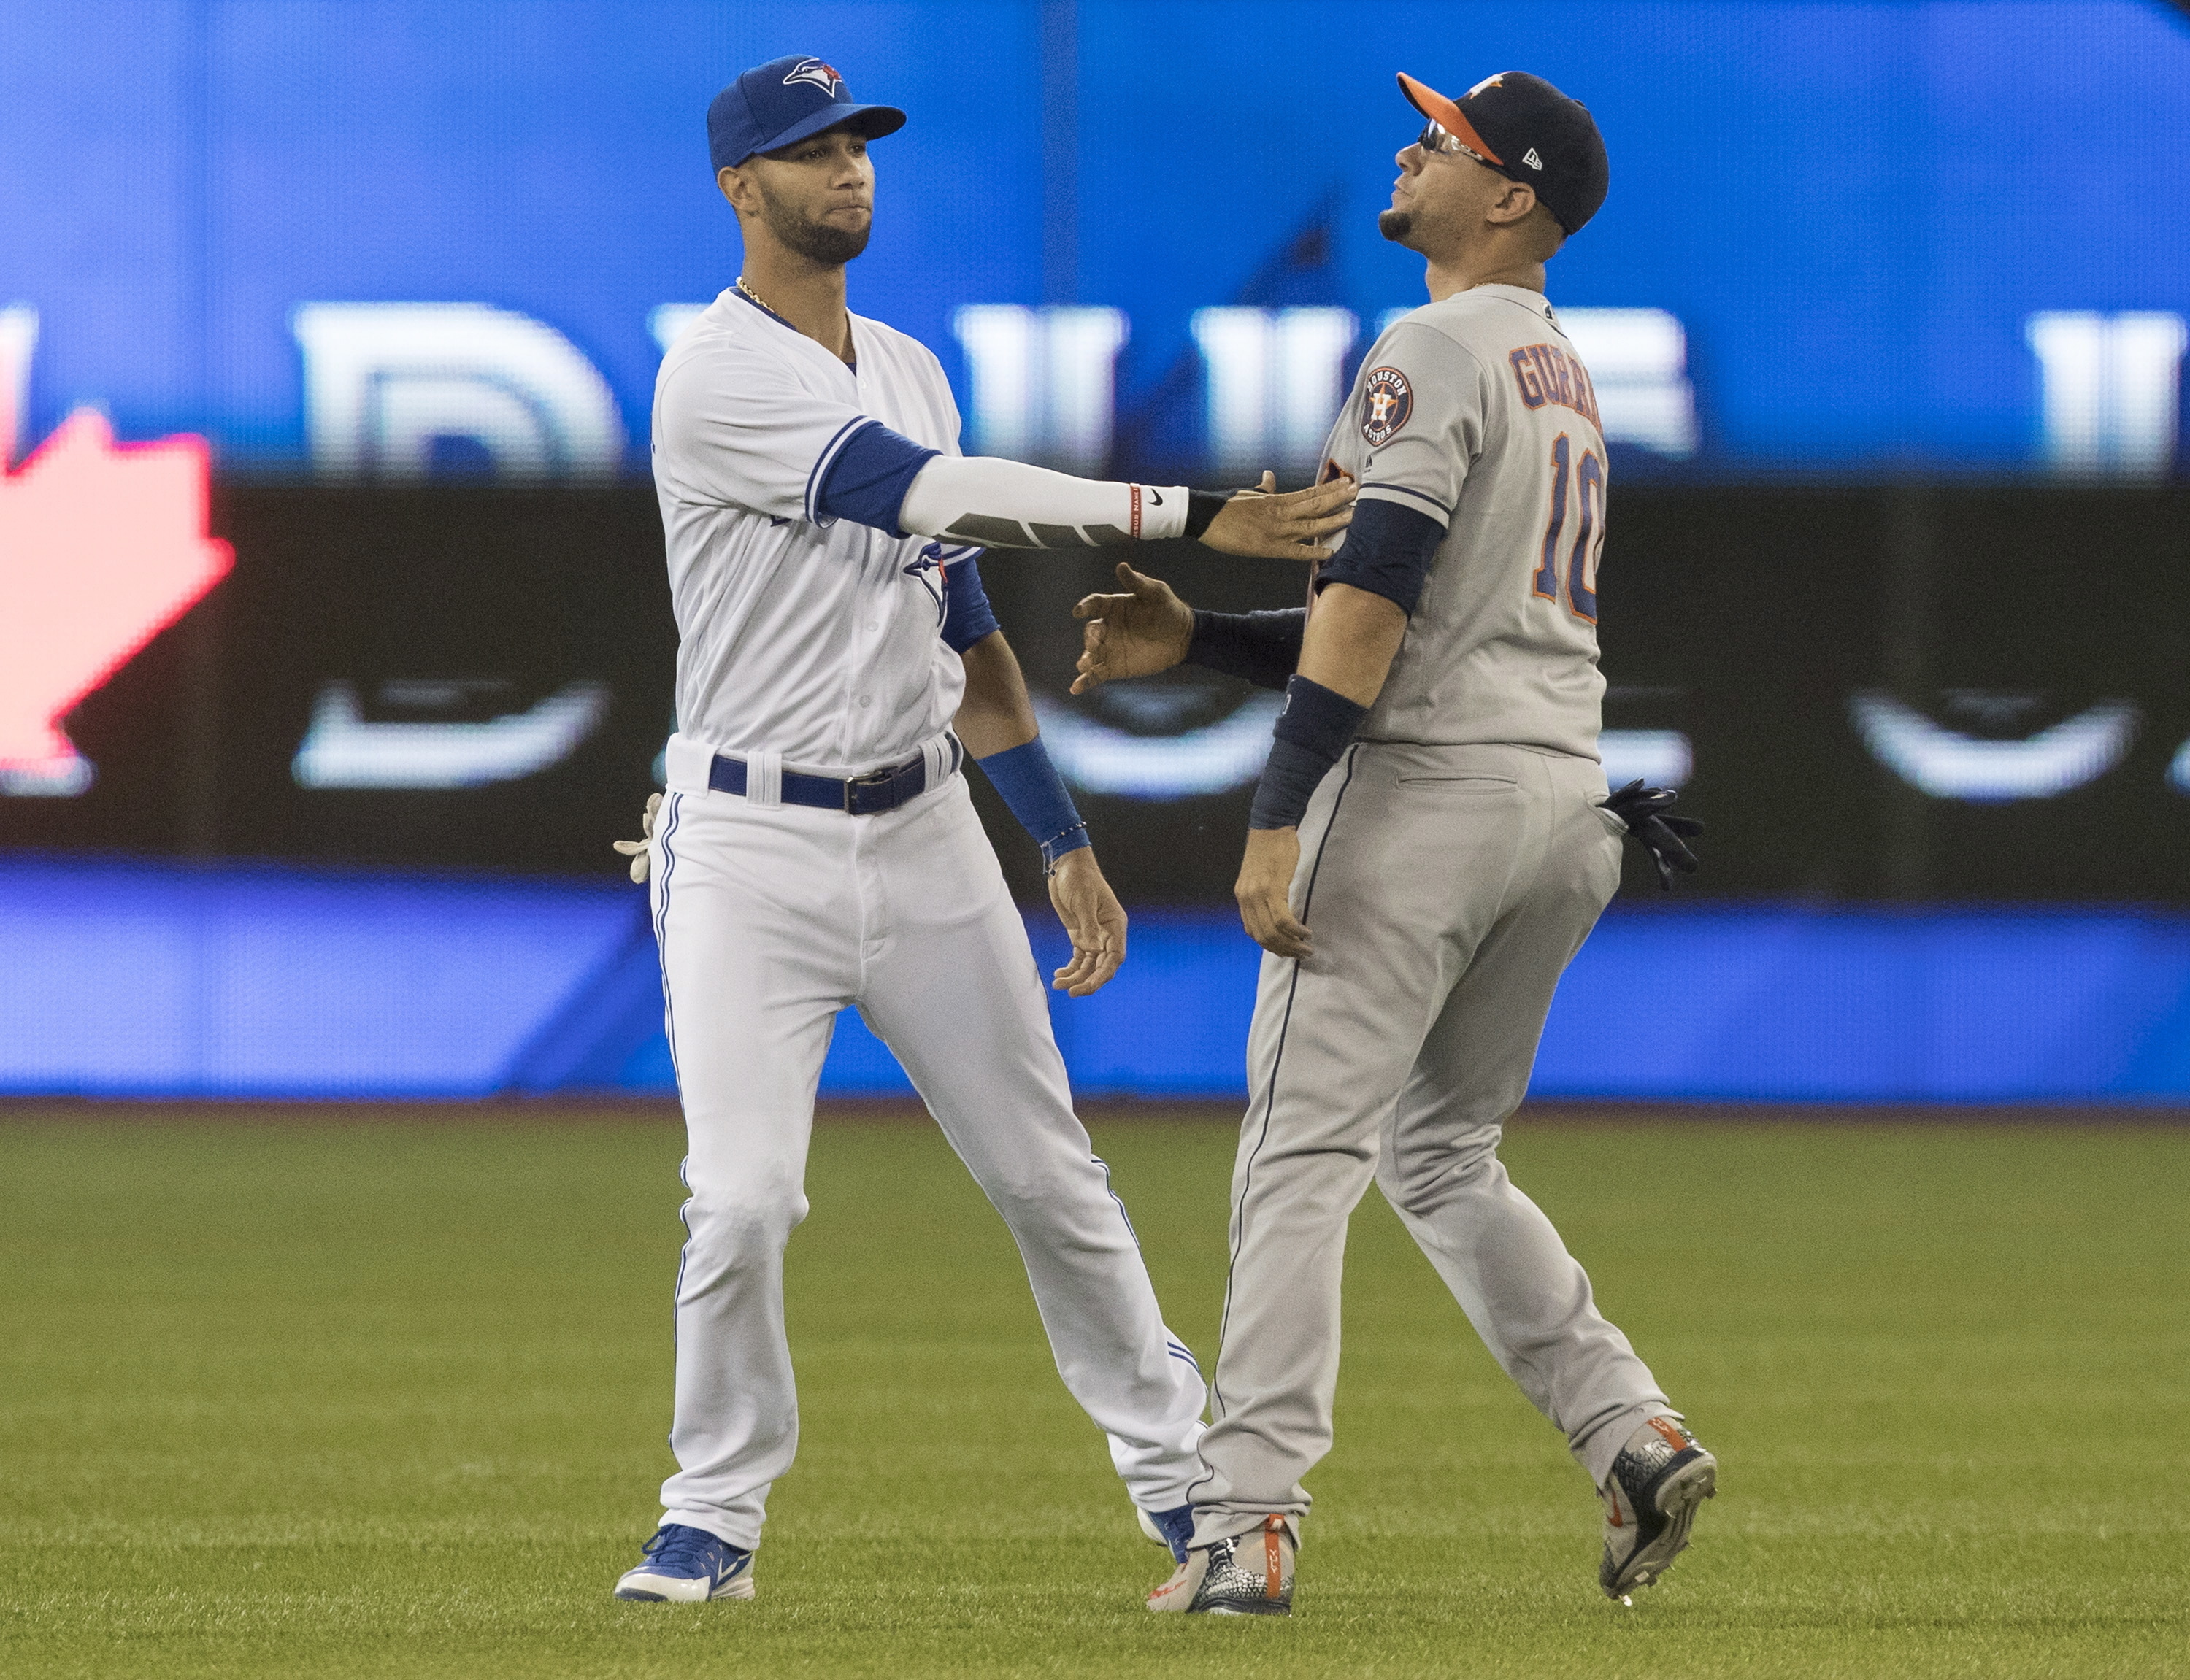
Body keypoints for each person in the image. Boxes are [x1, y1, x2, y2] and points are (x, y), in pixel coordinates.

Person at [604, 55, 1356, 1603]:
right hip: (751, 844)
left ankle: (1185, 1483)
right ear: (740, 187)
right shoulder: (716, 373)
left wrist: (1058, 840)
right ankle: (715, 1512)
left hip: (926, 826)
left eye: (861, 143)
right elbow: (924, 490)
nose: (850, 170)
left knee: (1051, 1175)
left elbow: (964, 628)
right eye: (811, 152)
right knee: (743, 1196)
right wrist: (1188, 513)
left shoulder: (910, 359)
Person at [1071, 69, 1713, 1617]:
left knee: (1303, 1149)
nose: (1413, 147)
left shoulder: (1426, 344)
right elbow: (1416, 605)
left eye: (1449, 141)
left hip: (1425, 797)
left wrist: (1277, 809)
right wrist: (1210, 638)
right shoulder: (1555, 363)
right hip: (1564, 802)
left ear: (1510, 197)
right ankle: (1631, 1429)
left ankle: (1245, 1515)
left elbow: (1374, 602)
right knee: (1438, 1151)